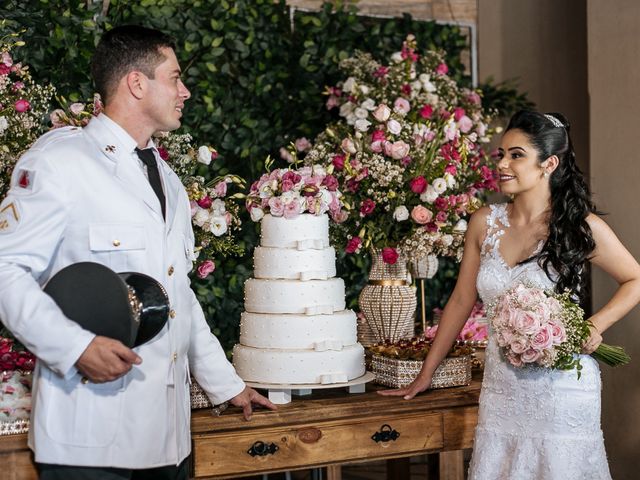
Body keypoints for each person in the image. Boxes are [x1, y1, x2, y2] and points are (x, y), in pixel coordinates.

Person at [0, 25, 275, 479]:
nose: (184, 91)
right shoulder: (59, 163)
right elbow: (6, 268)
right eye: (175, 77)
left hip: (166, 436)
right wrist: (75, 347)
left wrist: (225, 385)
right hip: (88, 437)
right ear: (136, 82)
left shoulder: (166, 178)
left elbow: (176, 293)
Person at [379, 110, 640, 478]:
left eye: (516, 155)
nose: (501, 163)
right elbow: (460, 301)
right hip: (502, 389)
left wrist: (592, 326)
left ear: (548, 163)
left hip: (562, 390)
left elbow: (635, 279)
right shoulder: (484, 222)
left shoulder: (580, 226)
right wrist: (426, 373)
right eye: (500, 154)